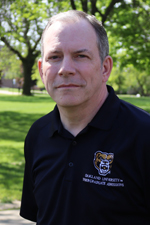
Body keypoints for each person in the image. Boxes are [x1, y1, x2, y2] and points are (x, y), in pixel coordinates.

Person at [20, 10, 150, 225]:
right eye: (55, 57)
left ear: (105, 68)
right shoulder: (37, 135)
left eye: (81, 56)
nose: (65, 69)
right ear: (42, 70)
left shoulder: (144, 135)